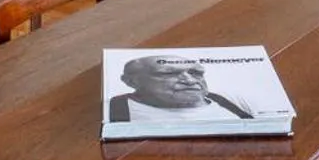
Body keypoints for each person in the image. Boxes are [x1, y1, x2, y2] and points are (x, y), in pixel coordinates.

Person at [107, 55, 254, 123]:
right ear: (132, 81)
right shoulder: (111, 109)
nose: (189, 81)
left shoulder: (232, 100)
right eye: (169, 73)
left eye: (196, 73)